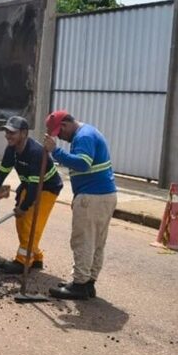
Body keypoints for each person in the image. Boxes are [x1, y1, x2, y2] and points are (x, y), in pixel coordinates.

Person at [43, 110, 117, 300]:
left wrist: (55, 151)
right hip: (102, 195)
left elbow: (83, 164)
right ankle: (88, 283)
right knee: (96, 242)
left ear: (66, 125)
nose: (60, 137)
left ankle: (79, 285)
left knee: (83, 241)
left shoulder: (83, 137)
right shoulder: (89, 133)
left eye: (60, 133)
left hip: (92, 196)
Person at [0, 116, 63, 274]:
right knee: (20, 221)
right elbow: (2, 172)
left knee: (30, 223)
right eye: (6, 132)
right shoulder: (11, 150)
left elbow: (36, 186)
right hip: (29, 185)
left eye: (12, 133)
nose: (8, 136)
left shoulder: (35, 152)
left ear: (24, 133)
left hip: (47, 188)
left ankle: (22, 262)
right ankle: (36, 257)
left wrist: (24, 206)